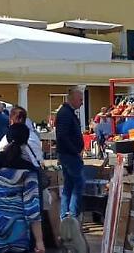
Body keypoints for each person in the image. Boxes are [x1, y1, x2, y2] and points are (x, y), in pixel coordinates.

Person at [0, 123, 45, 253]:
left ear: (6, 137)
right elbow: (32, 209)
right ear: (26, 142)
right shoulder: (28, 170)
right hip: (16, 231)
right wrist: (39, 241)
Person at [55, 88, 85, 232]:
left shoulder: (67, 112)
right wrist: (75, 152)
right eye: (80, 99)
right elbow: (62, 136)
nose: (82, 102)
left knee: (69, 185)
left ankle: (65, 216)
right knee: (78, 184)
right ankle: (71, 216)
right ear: (72, 98)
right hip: (69, 155)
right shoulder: (66, 113)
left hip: (68, 154)